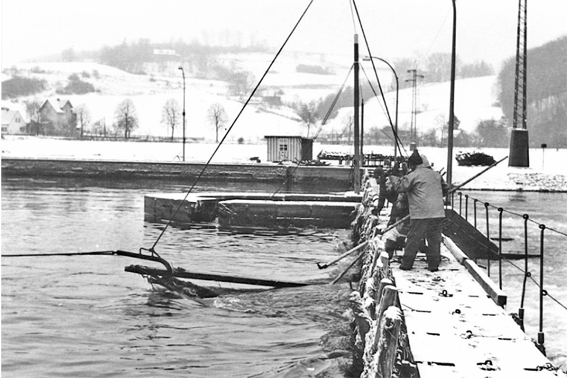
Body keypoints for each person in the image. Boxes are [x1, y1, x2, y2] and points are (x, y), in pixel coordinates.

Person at [388, 149, 447, 271]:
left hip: (421, 213)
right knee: (434, 240)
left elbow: (399, 187)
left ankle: (406, 265)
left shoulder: (412, 176)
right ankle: (433, 266)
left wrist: (393, 175)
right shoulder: (436, 175)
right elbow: (445, 190)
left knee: (413, 239)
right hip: (437, 213)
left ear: (412, 165)